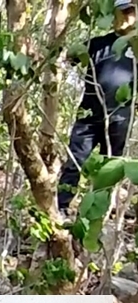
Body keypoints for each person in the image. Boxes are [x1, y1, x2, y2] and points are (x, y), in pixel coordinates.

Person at [57, 0, 136, 213]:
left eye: (131, 12)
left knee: (110, 169)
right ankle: (61, 206)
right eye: (123, 12)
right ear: (113, 15)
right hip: (89, 116)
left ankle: (100, 212)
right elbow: (65, 59)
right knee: (74, 161)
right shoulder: (97, 44)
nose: (127, 17)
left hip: (120, 119)